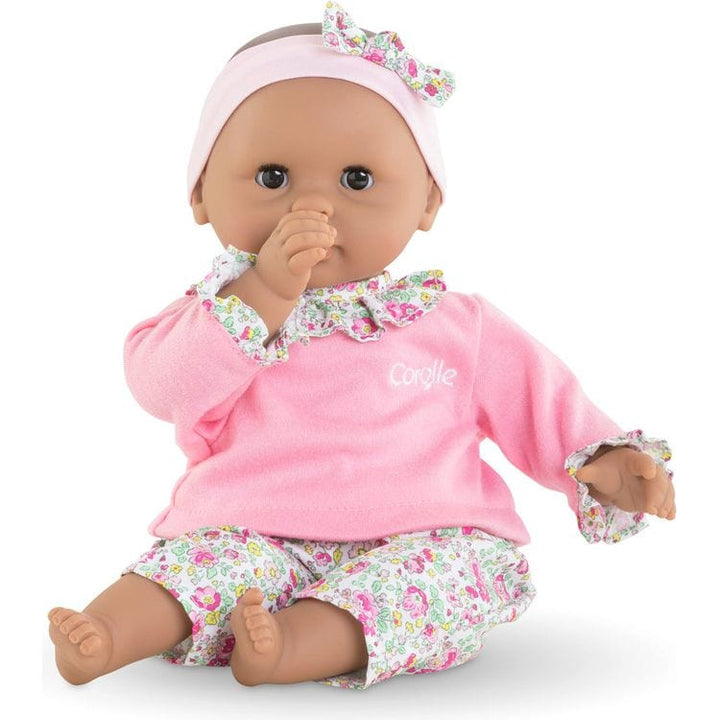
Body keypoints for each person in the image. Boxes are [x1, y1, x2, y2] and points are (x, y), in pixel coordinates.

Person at [48, 1, 675, 691]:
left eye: (357, 180)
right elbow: (162, 386)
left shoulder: (456, 326)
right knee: (198, 568)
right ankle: (110, 632)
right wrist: (264, 294)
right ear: (200, 195)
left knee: (456, 579)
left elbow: (542, 404)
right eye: (273, 178)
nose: (312, 208)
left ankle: (295, 644)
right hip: (250, 532)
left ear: (427, 201)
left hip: (424, 540)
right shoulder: (218, 315)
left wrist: (604, 459)